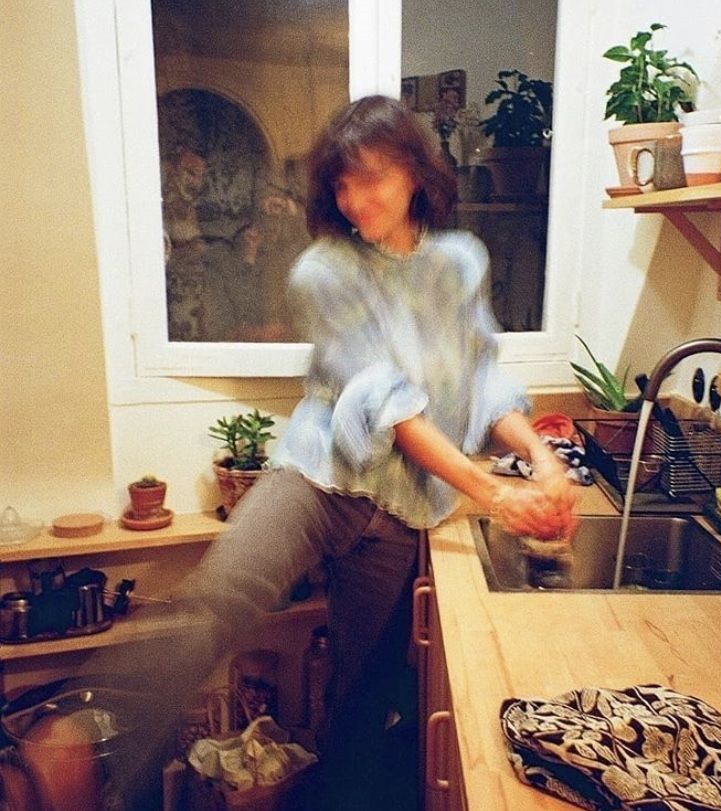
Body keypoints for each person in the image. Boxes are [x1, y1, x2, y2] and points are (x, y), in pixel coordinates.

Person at [80, 94, 577, 809]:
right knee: (215, 600)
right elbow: (387, 398)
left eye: (370, 177)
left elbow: (482, 374)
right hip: (319, 480)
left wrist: (544, 456)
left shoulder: (459, 263)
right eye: (341, 184)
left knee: (360, 691)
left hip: (404, 511)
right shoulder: (325, 271)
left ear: (413, 171)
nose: (354, 199)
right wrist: (495, 491)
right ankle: (104, 771)